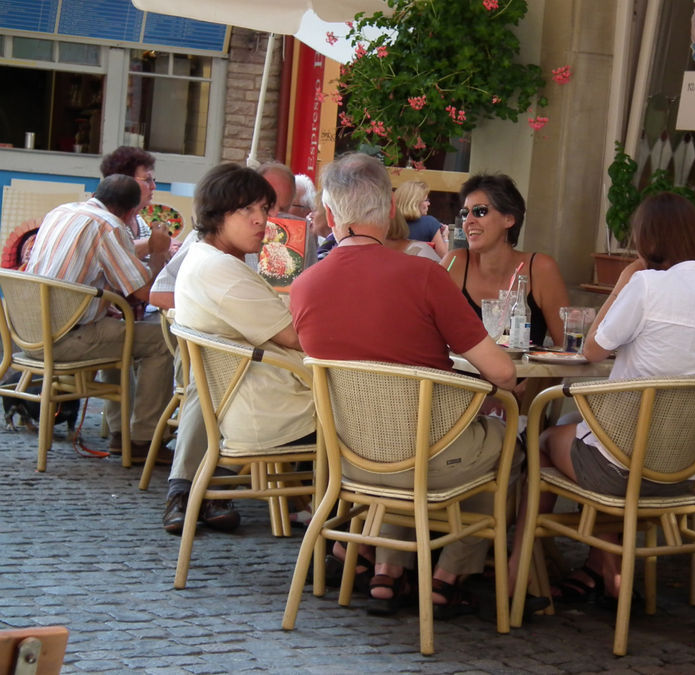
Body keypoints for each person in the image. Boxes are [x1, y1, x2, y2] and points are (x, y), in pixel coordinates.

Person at [290, 152, 518, 618]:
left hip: (347, 462)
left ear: (331, 215)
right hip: (428, 458)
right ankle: (448, 574)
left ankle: (388, 569)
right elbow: (503, 374)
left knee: (412, 433)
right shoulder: (425, 275)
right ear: (390, 210)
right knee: (508, 436)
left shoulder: (305, 285)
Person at [507, 192, 695, 605]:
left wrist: (624, 282)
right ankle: (610, 571)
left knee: (544, 439)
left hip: (621, 470)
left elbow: (590, 350)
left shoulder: (647, 284)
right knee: (587, 435)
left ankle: (517, 574)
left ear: (645, 241)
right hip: (685, 474)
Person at [166, 163, 317, 534]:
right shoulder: (220, 269)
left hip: (239, 396)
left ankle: (199, 488)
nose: (261, 220)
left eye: (264, 209)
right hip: (268, 407)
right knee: (372, 406)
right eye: (246, 210)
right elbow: (297, 337)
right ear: (217, 214)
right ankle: (349, 532)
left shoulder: (207, 259)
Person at [25, 174, 173, 459]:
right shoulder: (109, 226)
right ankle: (143, 440)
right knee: (161, 340)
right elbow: (145, 291)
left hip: (30, 332)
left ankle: (121, 434)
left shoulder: (62, 211)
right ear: (130, 213)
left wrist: (101, 305)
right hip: (64, 338)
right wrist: (158, 250)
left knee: (115, 326)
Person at [444, 173, 569, 347]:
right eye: (465, 214)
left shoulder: (540, 269)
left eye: (480, 211)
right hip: (457, 374)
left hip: (523, 374)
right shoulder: (455, 262)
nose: (469, 221)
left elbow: (566, 349)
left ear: (509, 218)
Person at [394, 180, 448, 258]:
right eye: (426, 200)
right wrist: (445, 237)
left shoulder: (389, 224)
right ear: (414, 202)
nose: (429, 204)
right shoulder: (430, 223)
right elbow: (445, 260)